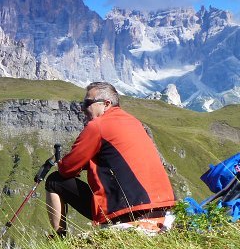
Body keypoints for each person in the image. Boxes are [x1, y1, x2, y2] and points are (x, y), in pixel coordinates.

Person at [44, 82, 176, 236]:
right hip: (161, 209)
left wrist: (74, 164)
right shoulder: (134, 122)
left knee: (54, 181)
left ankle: (58, 239)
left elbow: (67, 169)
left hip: (126, 212)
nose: (82, 108)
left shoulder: (97, 126)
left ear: (106, 104)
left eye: (87, 103)